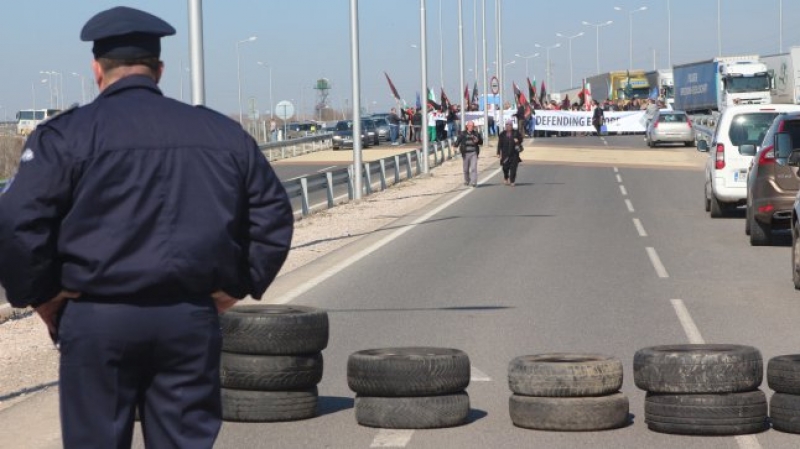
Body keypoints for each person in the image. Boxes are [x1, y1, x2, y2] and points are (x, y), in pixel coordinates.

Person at [0, 6, 294, 448]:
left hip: (97, 319)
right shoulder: (220, 133)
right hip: (189, 317)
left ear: (97, 69)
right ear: (159, 69)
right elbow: (272, 212)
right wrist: (240, 282)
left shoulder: (66, 136)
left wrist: (41, 295)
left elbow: (17, 220)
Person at [454, 120, 483, 187]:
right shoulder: (463, 133)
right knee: (466, 169)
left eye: (472, 126)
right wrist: (455, 146)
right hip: (465, 153)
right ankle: (467, 180)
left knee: (473, 168)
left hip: (474, 153)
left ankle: (474, 182)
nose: (471, 127)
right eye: (469, 126)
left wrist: (478, 141)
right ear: (467, 126)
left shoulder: (476, 133)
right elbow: (458, 140)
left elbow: (481, 142)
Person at [497, 120, 524, 186]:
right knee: (505, 168)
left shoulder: (516, 133)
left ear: (512, 126)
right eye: (507, 125)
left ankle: (512, 181)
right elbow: (499, 144)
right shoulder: (502, 134)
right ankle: (506, 177)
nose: (508, 126)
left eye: (509, 125)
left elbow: (521, 139)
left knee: (513, 169)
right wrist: (498, 152)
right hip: (505, 154)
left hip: (514, 154)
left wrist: (518, 140)